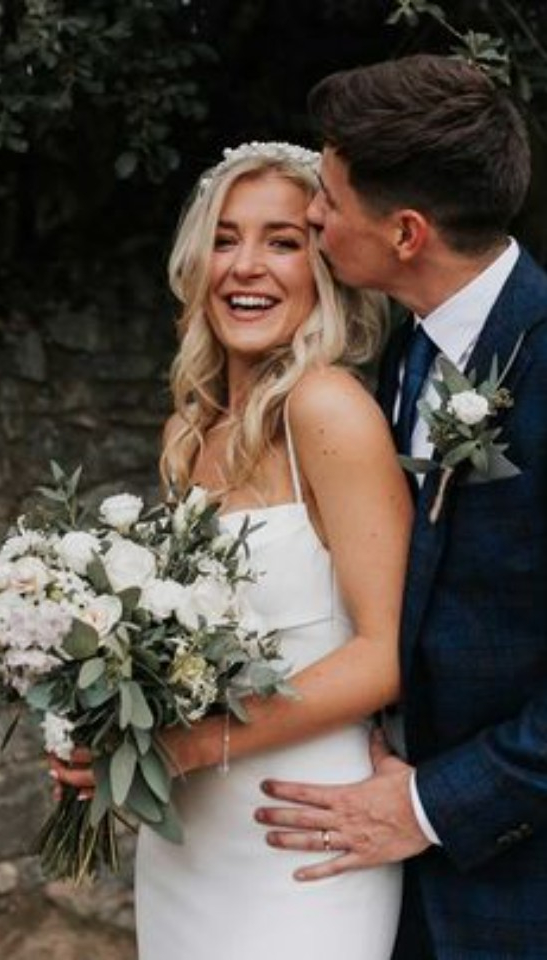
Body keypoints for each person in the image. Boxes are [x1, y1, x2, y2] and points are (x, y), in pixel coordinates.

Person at [52, 141, 412, 959]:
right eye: (224, 239)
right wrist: (110, 731)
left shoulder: (327, 407)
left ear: (324, 265)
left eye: (282, 241)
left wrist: (182, 747)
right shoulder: (188, 430)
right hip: (188, 837)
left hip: (302, 826)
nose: (245, 266)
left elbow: (385, 654)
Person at [254, 55, 547, 960]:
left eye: (330, 199)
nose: (313, 215)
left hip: (519, 883)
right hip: (380, 871)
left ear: (407, 232)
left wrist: (429, 806)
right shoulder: (408, 353)